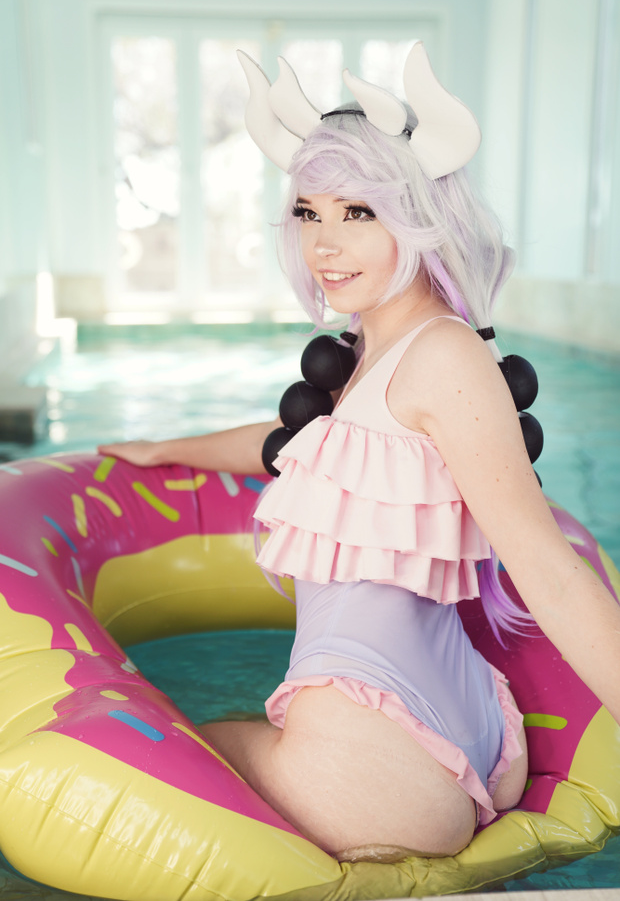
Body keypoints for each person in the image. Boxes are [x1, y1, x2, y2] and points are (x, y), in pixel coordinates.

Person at [98, 42, 620, 863]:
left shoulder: (442, 355)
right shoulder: (379, 347)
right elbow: (305, 448)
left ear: (422, 216)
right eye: (310, 213)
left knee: (148, 755)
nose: (324, 245)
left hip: (369, 755)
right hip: (456, 725)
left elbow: (550, 572)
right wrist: (168, 448)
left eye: (358, 213)